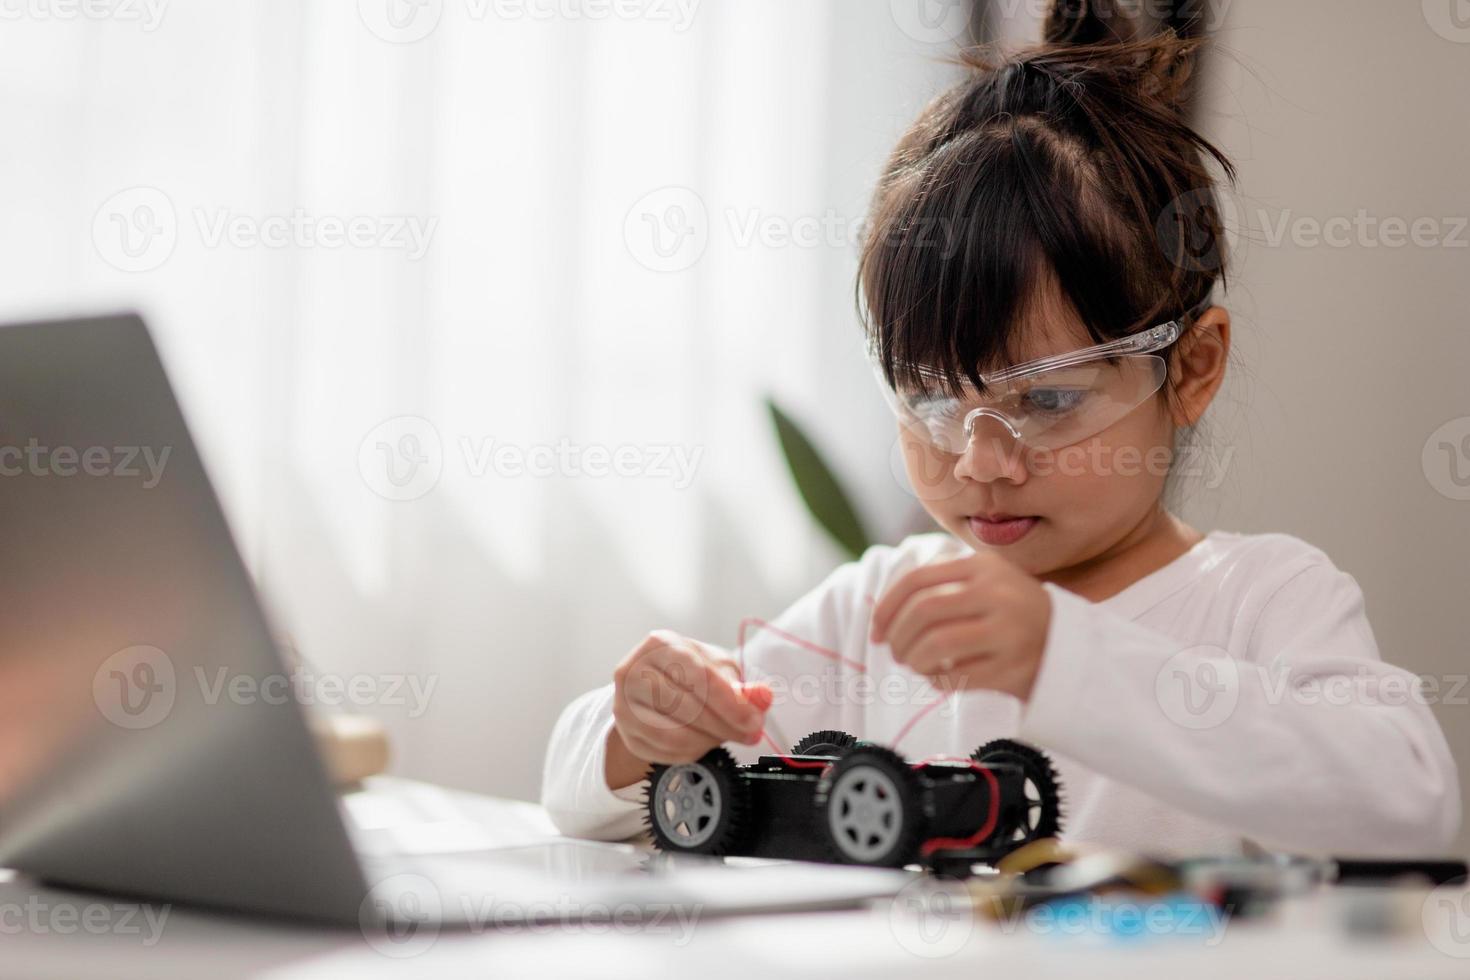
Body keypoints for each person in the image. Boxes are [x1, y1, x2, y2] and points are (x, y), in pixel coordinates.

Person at [540, 2, 1460, 858]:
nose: (980, 462)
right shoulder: (879, 612)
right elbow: (580, 795)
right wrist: (638, 728)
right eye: (935, 400)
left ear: (1190, 369)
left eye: (1048, 400)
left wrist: (1066, 657)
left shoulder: (1259, 599)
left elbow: (1412, 804)